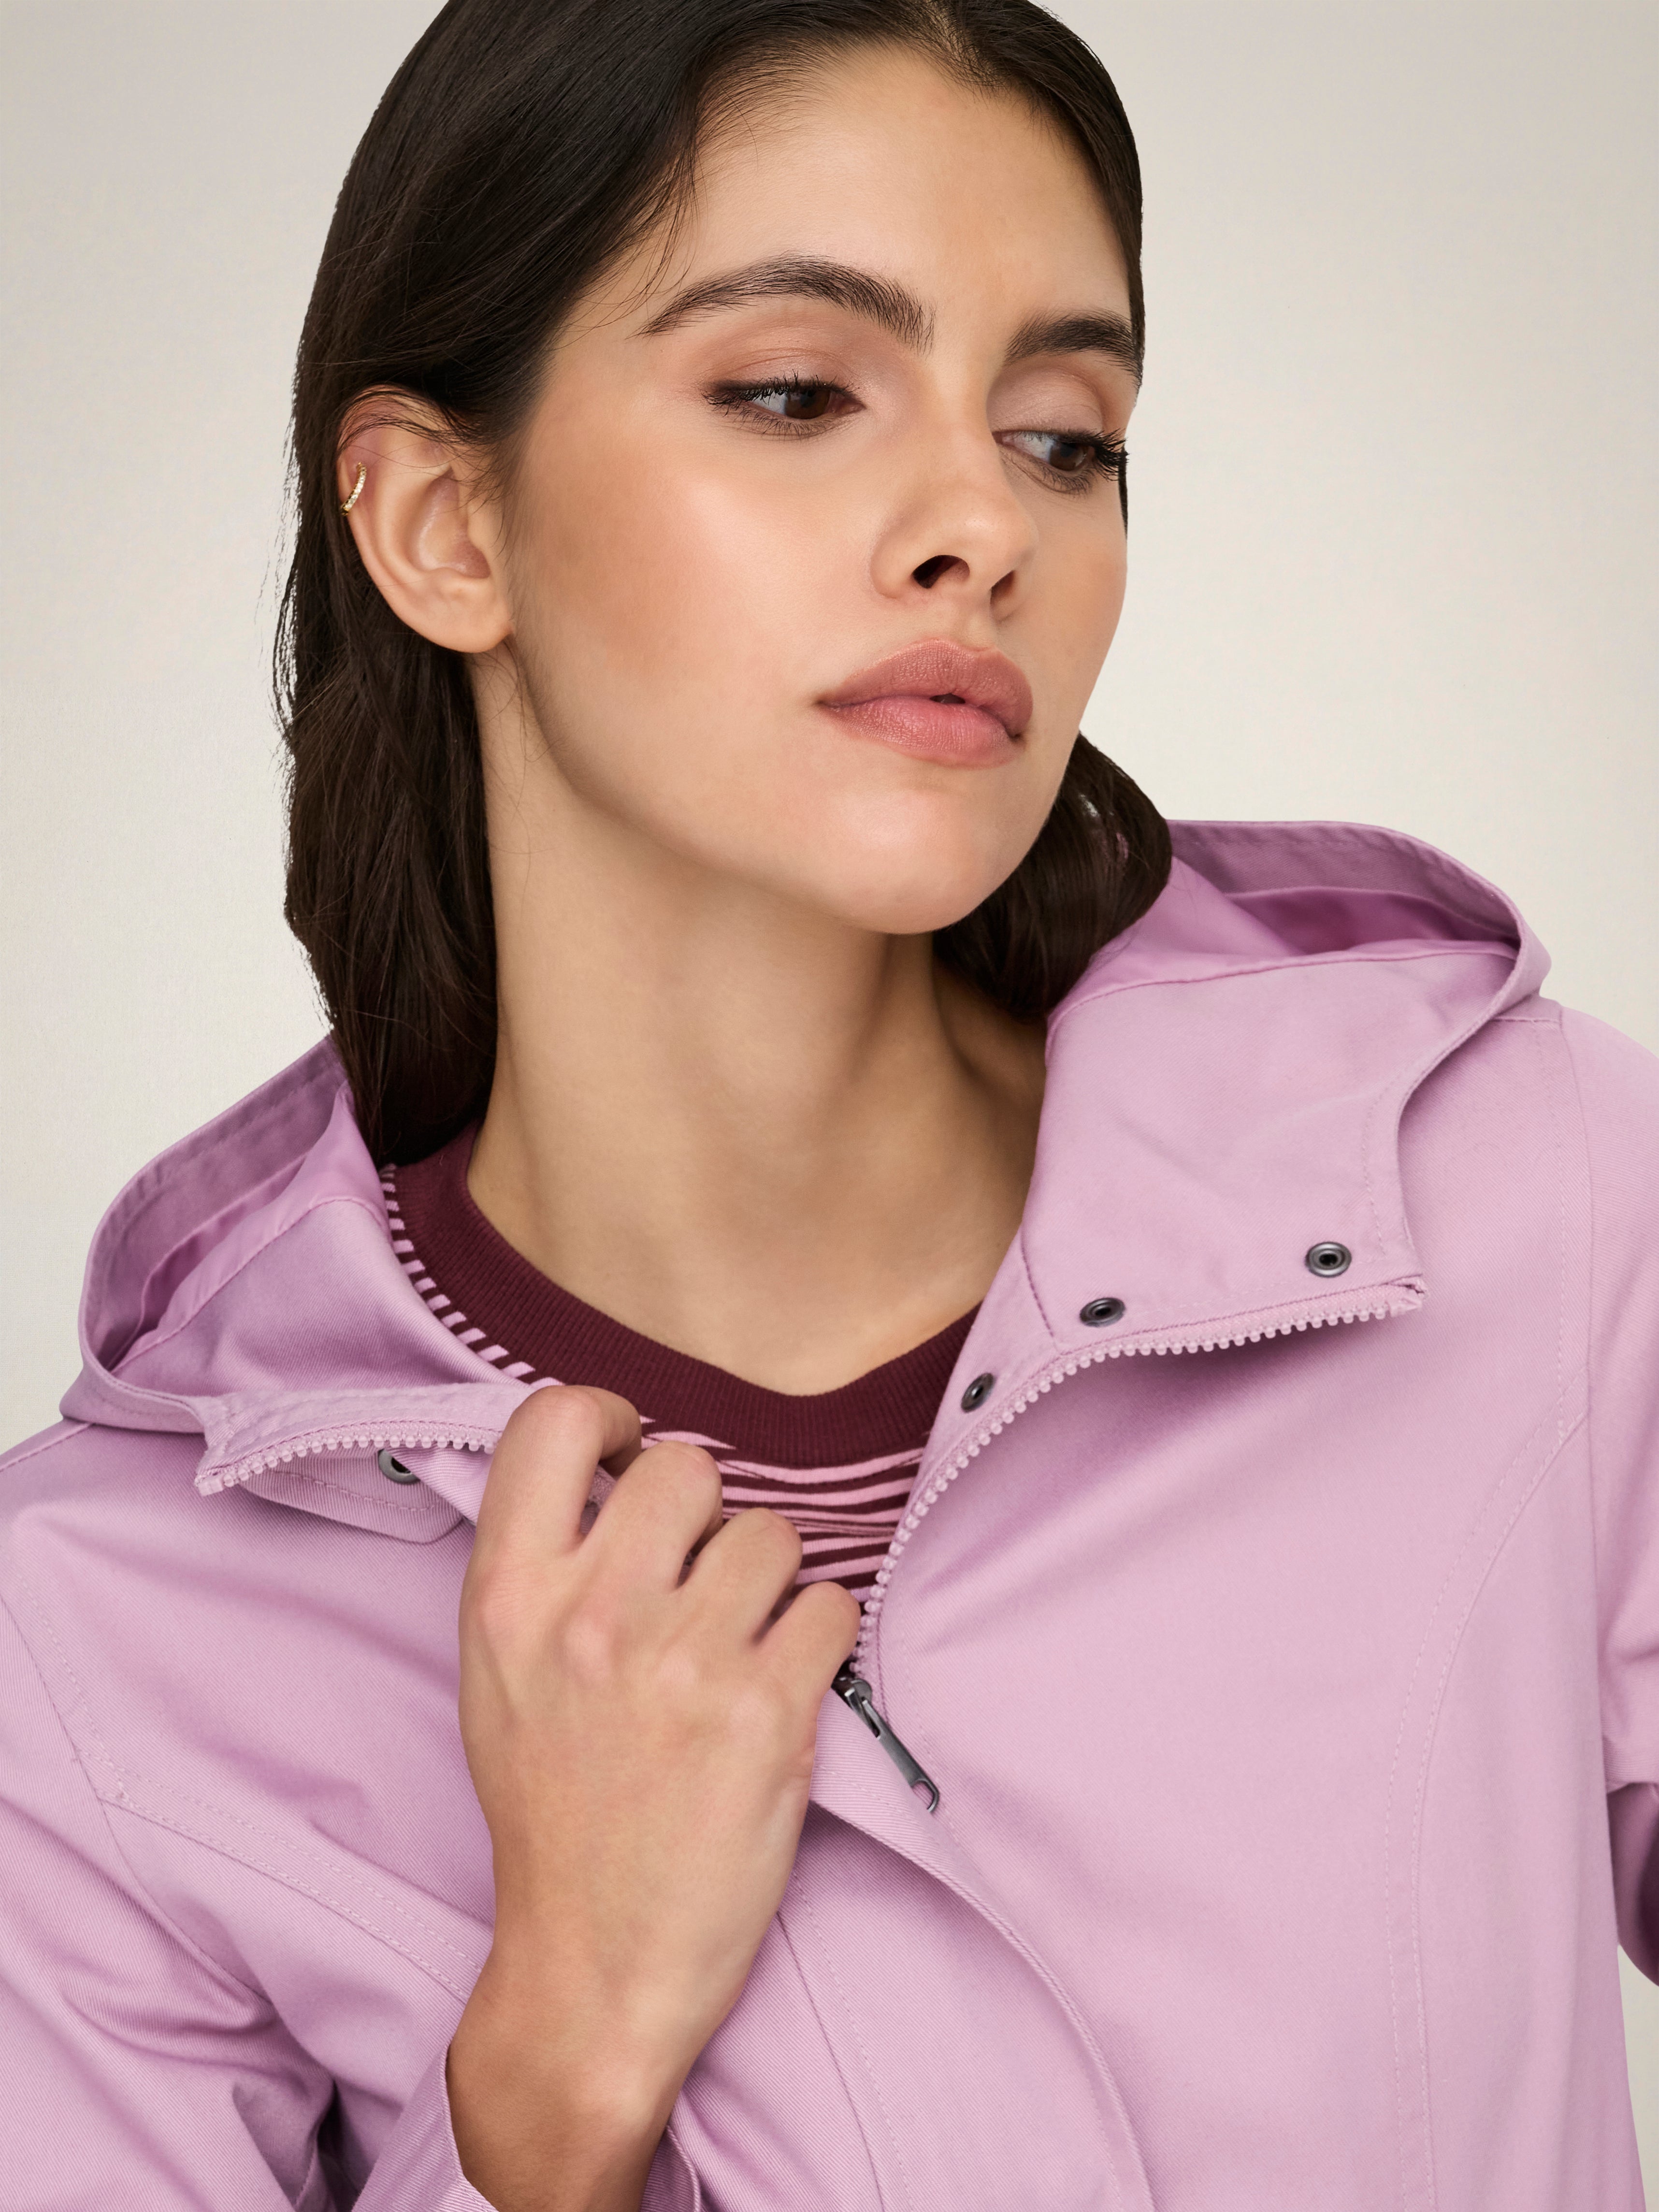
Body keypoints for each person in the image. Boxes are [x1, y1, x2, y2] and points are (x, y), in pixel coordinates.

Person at [2, 0, 1654, 2205]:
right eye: (794, 394)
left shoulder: (1527, 1199)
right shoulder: (93, 1643)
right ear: (442, 523)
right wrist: (558, 2067)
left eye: (1062, 435)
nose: (981, 521)